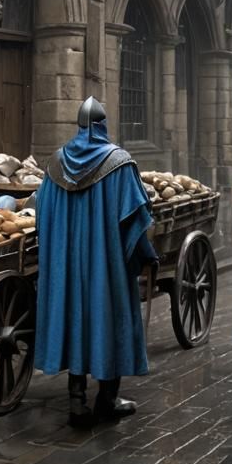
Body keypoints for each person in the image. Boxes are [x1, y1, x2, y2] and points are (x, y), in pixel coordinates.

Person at [34, 96, 157, 427]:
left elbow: (40, 215)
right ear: (103, 126)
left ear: (79, 126)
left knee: (75, 320)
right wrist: (145, 256)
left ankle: (76, 401)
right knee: (110, 319)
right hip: (108, 267)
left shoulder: (55, 163)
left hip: (67, 268)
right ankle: (107, 399)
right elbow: (136, 218)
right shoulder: (120, 163)